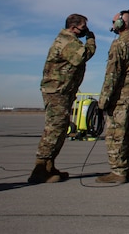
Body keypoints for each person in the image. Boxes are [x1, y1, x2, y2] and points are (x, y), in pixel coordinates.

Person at [28, 14, 97, 184]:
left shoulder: (68, 40)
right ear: (74, 27)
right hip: (57, 91)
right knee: (54, 128)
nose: (85, 30)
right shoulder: (67, 41)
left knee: (61, 127)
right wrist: (91, 39)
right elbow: (82, 56)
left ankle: (49, 166)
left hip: (62, 91)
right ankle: (39, 169)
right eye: (83, 27)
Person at [96, 10, 129, 184]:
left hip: (122, 98)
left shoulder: (119, 44)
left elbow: (113, 74)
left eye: (114, 22)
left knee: (116, 135)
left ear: (121, 23)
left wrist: (103, 99)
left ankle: (117, 172)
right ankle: (126, 169)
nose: (112, 26)